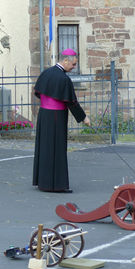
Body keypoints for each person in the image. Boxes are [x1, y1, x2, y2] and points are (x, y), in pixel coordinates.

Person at [33, 49, 91, 193]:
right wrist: (84, 118)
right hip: (56, 118)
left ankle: (43, 182)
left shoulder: (46, 73)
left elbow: (38, 93)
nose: (74, 67)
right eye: (73, 64)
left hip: (44, 115)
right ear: (65, 60)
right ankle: (56, 185)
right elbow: (72, 102)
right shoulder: (64, 79)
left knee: (44, 148)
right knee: (56, 150)